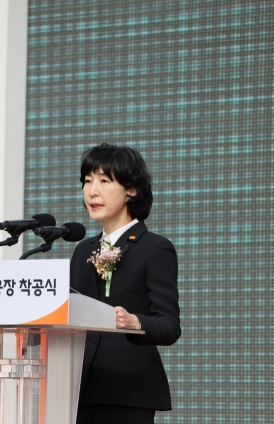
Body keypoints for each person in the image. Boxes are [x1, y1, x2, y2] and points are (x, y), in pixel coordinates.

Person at [70, 143, 181, 424]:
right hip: (77, 390)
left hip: (128, 390)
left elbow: (169, 325)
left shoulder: (154, 248)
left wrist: (135, 322)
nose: (92, 191)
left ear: (131, 190)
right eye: (87, 181)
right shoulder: (84, 249)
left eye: (104, 181)